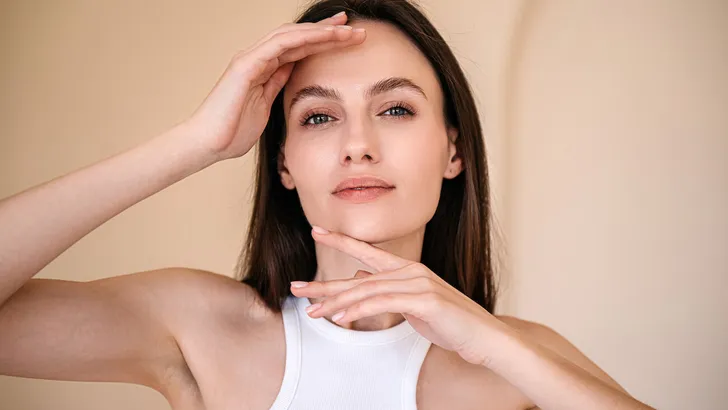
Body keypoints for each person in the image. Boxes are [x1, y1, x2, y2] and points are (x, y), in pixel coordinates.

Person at [0, 0, 653, 409]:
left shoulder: (519, 361)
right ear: (283, 161)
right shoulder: (199, 331)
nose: (358, 145)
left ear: (454, 151)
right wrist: (196, 143)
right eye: (318, 118)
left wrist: (493, 343)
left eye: (395, 109)